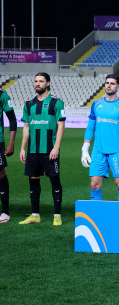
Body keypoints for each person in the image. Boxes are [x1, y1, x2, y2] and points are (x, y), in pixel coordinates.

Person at [81, 75, 119, 202]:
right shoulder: (96, 104)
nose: (108, 85)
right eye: (107, 83)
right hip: (98, 151)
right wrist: (84, 149)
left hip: (117, 151)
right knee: (94, 184)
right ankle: (96, 213)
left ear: (118, 87)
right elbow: (90, 128)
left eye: (112, 83)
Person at [18, 73, 66, 225]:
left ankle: (57, 215)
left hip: (50, 150)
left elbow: (61, 125)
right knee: (33, 180)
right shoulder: (29, 104)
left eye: (41, 81)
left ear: (48, 83)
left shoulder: (56, 102)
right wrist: (22, 148)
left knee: (54, 180)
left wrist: (56, 147)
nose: (37, 84)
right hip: (33, 151)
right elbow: (26, 126)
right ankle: (35, 215)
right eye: (36, 81)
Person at [0, 87, 17, 223]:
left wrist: (11, 142)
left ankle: (5, 211)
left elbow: (12, 119)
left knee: (0, 173)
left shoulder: (2, 95)